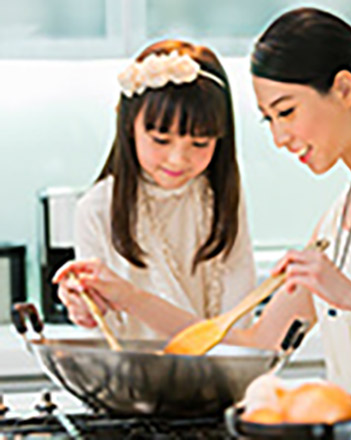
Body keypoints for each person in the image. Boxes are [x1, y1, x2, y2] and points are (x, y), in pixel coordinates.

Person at [55, 9, 351, 438]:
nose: (278, 137)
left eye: (286, 111)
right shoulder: (338, 217)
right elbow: (251, 347)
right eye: (269, 119)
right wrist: (128, 297)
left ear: (344, 89)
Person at [56, 40, 256, 339]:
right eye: (161, 140)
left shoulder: (218, 198)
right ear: (128, 127)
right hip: (133, 380)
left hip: (218, 377)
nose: (178, 159)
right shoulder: (98, 208)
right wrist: (85, 309)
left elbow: (238, 316)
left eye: (200, 143)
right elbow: (102, 327)